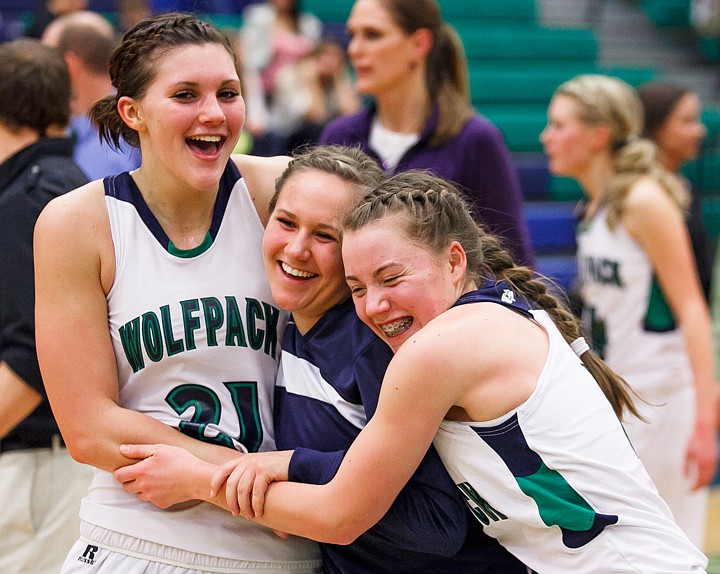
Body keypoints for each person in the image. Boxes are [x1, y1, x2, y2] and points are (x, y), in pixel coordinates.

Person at [201, 171, 708, 572]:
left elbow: (340, 515)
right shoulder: (502, 312)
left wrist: (199, 481)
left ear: (454, 261)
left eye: (392, 277)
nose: (375, 306)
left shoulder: (438, 349)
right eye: (357, 288)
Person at [115, 145, 528, 573]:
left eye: (325, 236)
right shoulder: (282, 318)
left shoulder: (375, 345)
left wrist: (283, 478)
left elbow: (436, 524)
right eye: (286, 223)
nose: (296, 250)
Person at [33, 12, 321, 573]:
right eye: (186, 94)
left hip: (283, 547)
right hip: (137, 539)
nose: (213, 113)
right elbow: (89, 428)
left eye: (229, 93)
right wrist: (236, 479)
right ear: (132, 111)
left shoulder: (283, 192)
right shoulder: (77, 223)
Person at [540, 73, 719, 548]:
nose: (546, 137)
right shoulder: (595, 205)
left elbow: (694, 310)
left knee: (669, 547)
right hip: (621, 398)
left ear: (598, 135)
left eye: (559, 125)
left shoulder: (645, 200)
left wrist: (706, 421)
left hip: (663, 401)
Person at [318, 0, 535, 267]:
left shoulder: (475, 139)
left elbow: (514, 264)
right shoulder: (339, 136)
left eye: (372, 35)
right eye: (352, 35)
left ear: (419, 44)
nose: (354, 49)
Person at [0, 38, 93, 574]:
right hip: (53, 466)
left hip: (39, 467)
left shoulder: (29, 200)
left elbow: (33, 353)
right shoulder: (72, 184)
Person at [637, 81, 715, 302]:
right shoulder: (640, 196)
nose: (700, 131)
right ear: (655, 127)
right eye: (687, 121)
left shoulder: (685, 186)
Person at [41, 10, 141, 181]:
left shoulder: (131, 129)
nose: (40, 73)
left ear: (69, 64)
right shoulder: (65, 126)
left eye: (47, 61)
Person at [270, 38, 361, 153]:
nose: (330, 63)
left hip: (319, 138)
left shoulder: (336, 80)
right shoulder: (290, 77)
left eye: (336, 59)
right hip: (286, 136)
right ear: (312, 59)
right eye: (325, 57)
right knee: (314, 129)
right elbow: (315, 116)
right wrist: (313, 83)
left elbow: (351, 116)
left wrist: (339, 81)